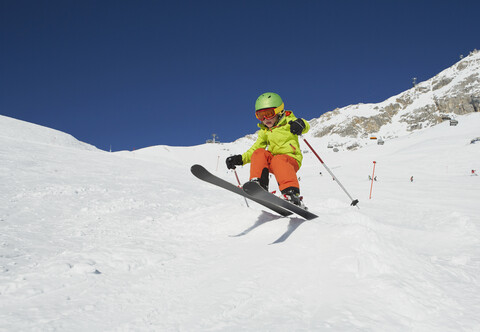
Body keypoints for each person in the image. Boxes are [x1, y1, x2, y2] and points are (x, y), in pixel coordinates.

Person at [225, 92, 310, 206]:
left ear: (279, 111)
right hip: (273, 162)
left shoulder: (289, 121)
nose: (265, 119)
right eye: (260, 116)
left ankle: (291, 193)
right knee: (259, 152)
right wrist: (241, 159)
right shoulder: (264, 132)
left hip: (290, 160)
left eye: (269, 114)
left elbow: (305, 124)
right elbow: (255, 149)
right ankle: (259, 184)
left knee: (278, 160)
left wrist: (301, 124)